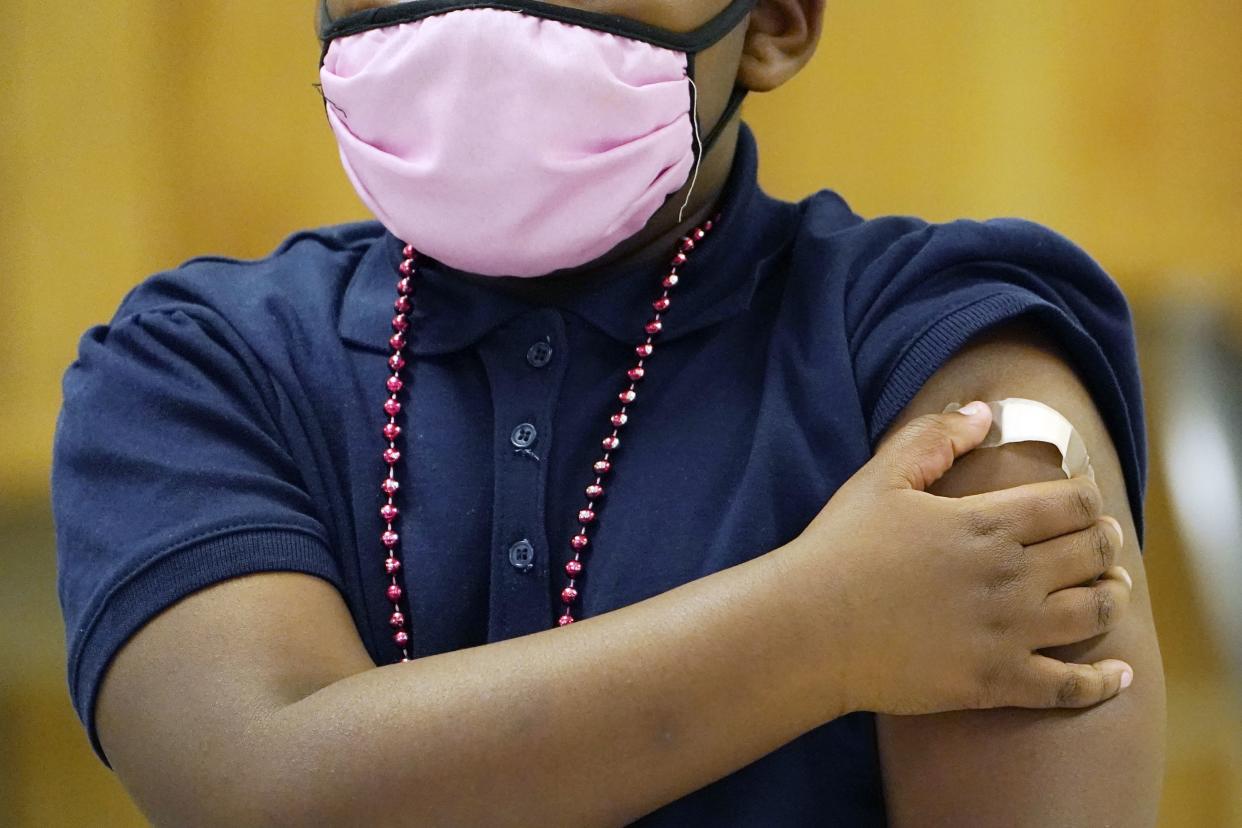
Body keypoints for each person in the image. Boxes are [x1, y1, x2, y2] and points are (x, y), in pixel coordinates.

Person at [51, 0, 1165, 825]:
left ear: (773, 24)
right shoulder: (192, 365)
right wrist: (827, 628)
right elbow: (256, 786)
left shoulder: (941, 342)